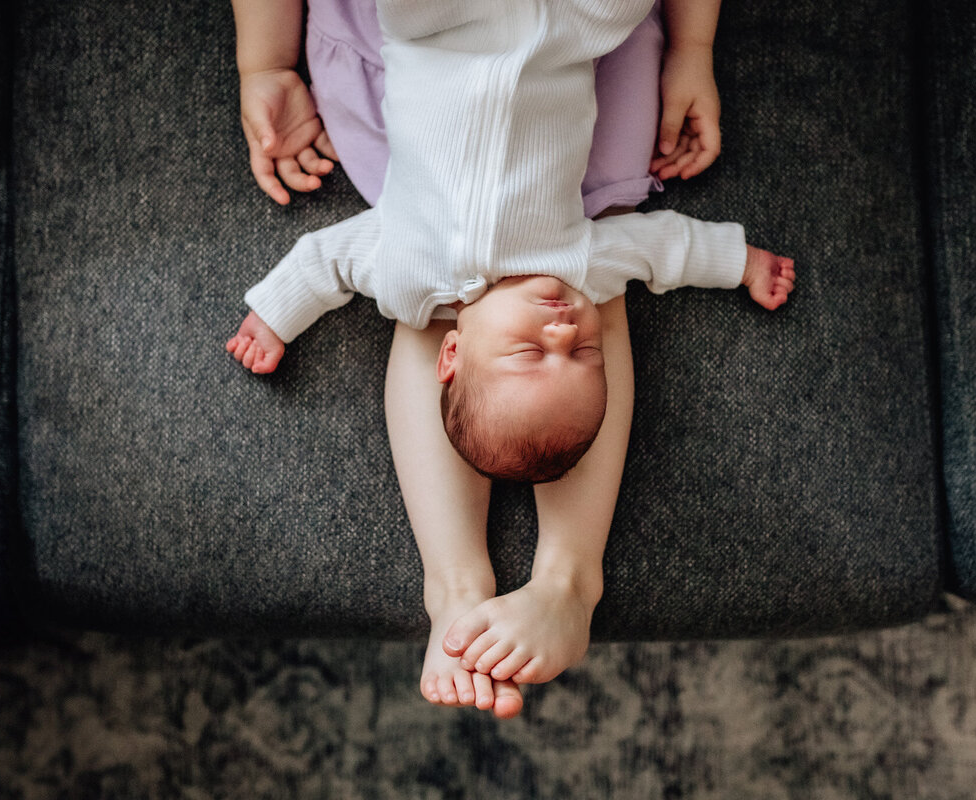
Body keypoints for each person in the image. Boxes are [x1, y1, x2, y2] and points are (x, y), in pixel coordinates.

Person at [227, 0, 795, 718]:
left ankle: (514, 588)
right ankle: (485, 587)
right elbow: (664, 249)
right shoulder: (576, 260)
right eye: (581, 349)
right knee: (600, 281)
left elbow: (329, 261)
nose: (563, 325)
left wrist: (275, 314)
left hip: (435, 26)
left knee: (426, 309)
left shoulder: (406, 256)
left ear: (455, 352)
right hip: (564, 29)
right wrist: (740, 260)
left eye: (533, 347)